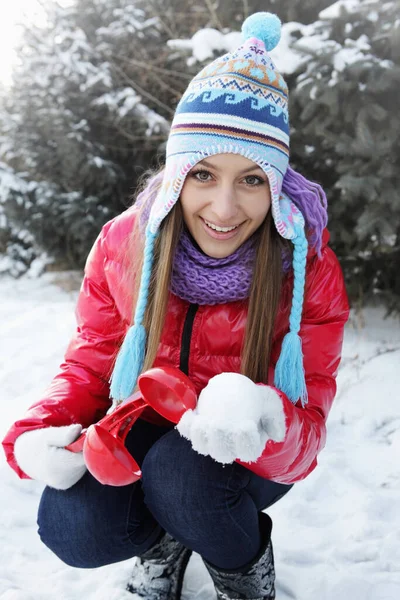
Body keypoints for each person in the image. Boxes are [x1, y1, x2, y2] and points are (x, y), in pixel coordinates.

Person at [2, 12, 349, 600]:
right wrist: (41, 430)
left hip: (240, 457)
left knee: (182, 477)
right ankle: (165, 542)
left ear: (277, 183)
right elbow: (93, 361)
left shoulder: (305, 266)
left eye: (252, 180)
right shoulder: (125, 243)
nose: (223, 206)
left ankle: (243, 564)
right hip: (145, 425)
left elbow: (306, 437)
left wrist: (265, 417)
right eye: (205, 173)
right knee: (71, 525)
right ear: (176, 174)